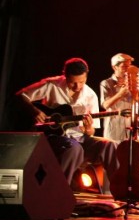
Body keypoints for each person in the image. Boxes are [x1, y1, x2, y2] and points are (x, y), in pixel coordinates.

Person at [15, 57, 119, 194]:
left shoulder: (90, 95)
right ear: (65, 76)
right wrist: (35, 111)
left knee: (110, 145)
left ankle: (121, 193)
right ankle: (58, 194)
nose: (77, 87)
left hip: (79, 138)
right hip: (53, 138)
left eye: (82, 82)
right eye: (72, 82)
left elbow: (90, 132)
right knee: (74, 149)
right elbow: (21, 95)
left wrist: (88, 128)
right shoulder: (52, 85)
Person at [99, 53, 137, 142]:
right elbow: (105, 105)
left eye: (129, 66)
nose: (128, 69)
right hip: (114, 131)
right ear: (114, 67)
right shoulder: (106, 83)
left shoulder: (134, 83)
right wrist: (120, 94)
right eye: (124, 66)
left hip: (131, 130)